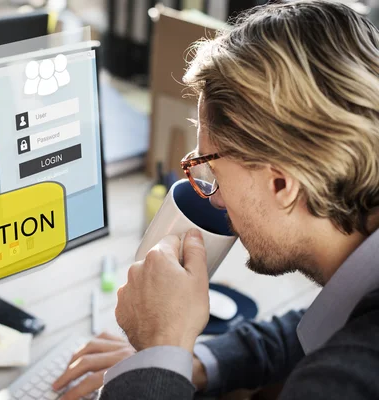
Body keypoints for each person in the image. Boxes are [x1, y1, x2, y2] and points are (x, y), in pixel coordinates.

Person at [52, 1, 379, 399]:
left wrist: (159, 348)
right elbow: (319, 327)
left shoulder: (346, 382)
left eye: (211, 171)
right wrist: (188, 362)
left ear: (282, 184)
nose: (216, 200)